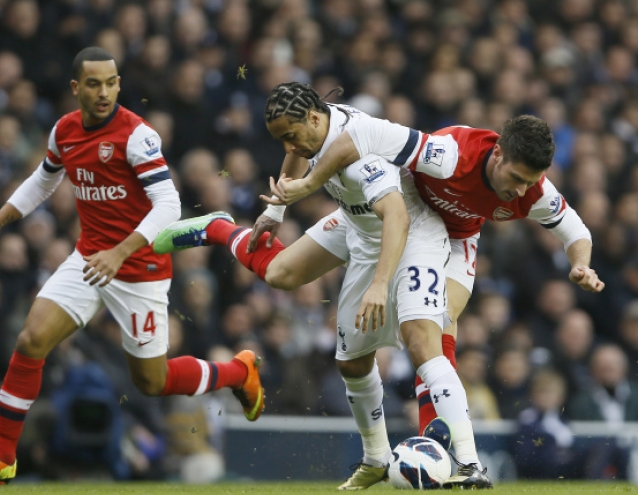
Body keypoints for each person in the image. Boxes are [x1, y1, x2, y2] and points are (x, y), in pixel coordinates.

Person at [0, 47, 264, 487]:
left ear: (119, 83)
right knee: (31, 338)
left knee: (151, 382)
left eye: (112, 82)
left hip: (139, 270)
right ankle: (3, 455)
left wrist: (120, 251)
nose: (104, 92)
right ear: (76, 87)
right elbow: (44, 178)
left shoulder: (137, 136)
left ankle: (238, 372)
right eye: (94, 84)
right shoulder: (65, 130)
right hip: (89, 259)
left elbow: (169, 204)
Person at [154, 82, 491, 489]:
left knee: (424, 342)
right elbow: (294, 153)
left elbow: (397, 216)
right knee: (287, 283)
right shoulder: (314, 126)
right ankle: (377, 459)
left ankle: (470, 463)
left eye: (292, 136)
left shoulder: (361, 159)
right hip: (358, 225)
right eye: (281, 139)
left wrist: (378, 284)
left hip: (409, 234)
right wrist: (275, 210)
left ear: (315, 119)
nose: (290, 147)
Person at [264, 107, 604, 436]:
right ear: (497, 154)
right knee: (282, 275)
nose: (519, 190)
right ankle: (220, 230)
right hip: (396, 214)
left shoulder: (535, 193)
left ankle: (437, 443)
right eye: (516, 178)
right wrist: (305, 187)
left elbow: (576, 232)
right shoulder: (449, 153)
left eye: (530, 182)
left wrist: (580, 264)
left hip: (457, 240)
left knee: (437, 324)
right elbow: (359, 135)